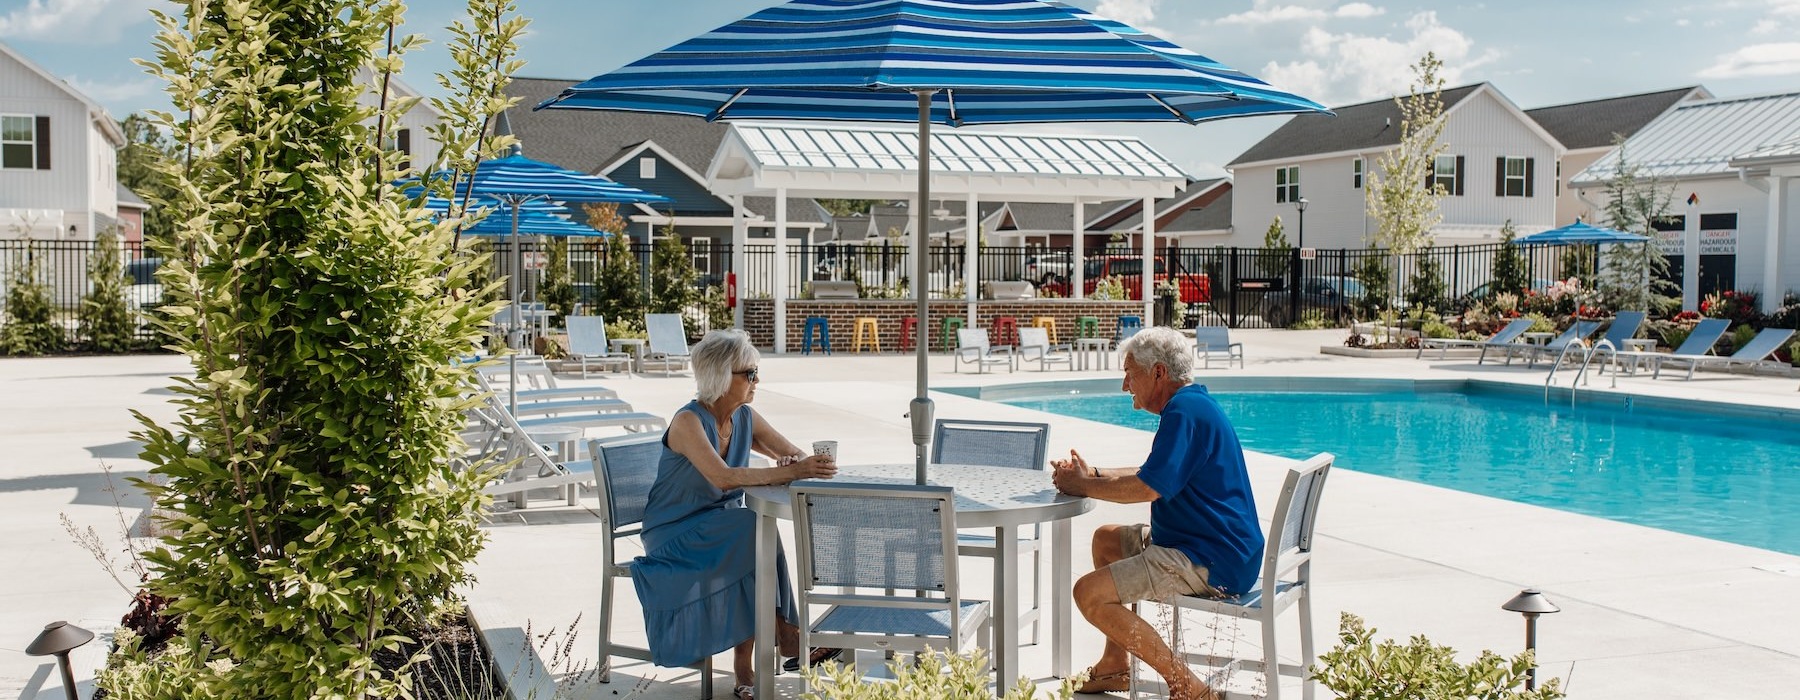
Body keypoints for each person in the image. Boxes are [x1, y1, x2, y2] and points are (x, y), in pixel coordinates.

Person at [1049, 326, 1263, 700]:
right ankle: (1115, 664)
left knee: (1088, 594)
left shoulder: (1183, 413)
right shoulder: (1193, 405)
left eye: (1129, 373)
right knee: (1105, 540)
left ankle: (1189, 687)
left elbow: (1147, 488)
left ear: (1159, 372)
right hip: (1209, 545)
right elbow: (1154, 473)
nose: (1124, 385)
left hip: (1209, 560)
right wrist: (1093, 474)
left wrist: (1080, 486)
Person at [632, 329, 839, 699]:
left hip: (724, 527)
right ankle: (787, 639)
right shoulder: (688, 422)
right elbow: (723, 478)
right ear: (722, 376)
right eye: (751, 374)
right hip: (674, 534)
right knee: (751, 529)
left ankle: (756, 661)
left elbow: (791, 453)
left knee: (754, 532)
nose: (757, 381)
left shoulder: (744, 415)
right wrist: (792, 470)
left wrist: (795, 462)